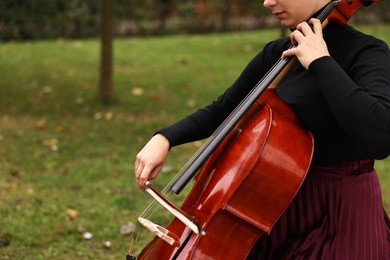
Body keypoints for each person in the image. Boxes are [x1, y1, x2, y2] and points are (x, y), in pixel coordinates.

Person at [134, 0, 390, 258]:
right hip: (272, 206)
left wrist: (321, 62)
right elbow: (225, 109)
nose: (268, 2)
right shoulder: (278, 53)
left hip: (339, 212)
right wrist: (165, 137)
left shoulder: (367, 53)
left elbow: (379, 137)